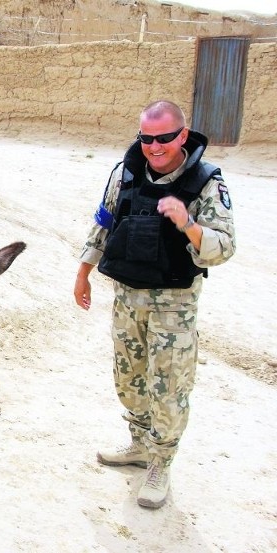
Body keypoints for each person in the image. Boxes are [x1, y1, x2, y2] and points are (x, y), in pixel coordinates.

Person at [73, 100, 235, 509]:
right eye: (147, 138)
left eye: (164, 138)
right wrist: (83, 271)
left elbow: (224, 247)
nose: (155, 146)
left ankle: (161, 461)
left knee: (168, 385)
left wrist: (188, 223)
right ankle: (139, 443)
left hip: (174, 303)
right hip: (127, 296)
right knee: (129, 377)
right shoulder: (126, 170)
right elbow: (106, 219)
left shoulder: (205, 182)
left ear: (182, 135)